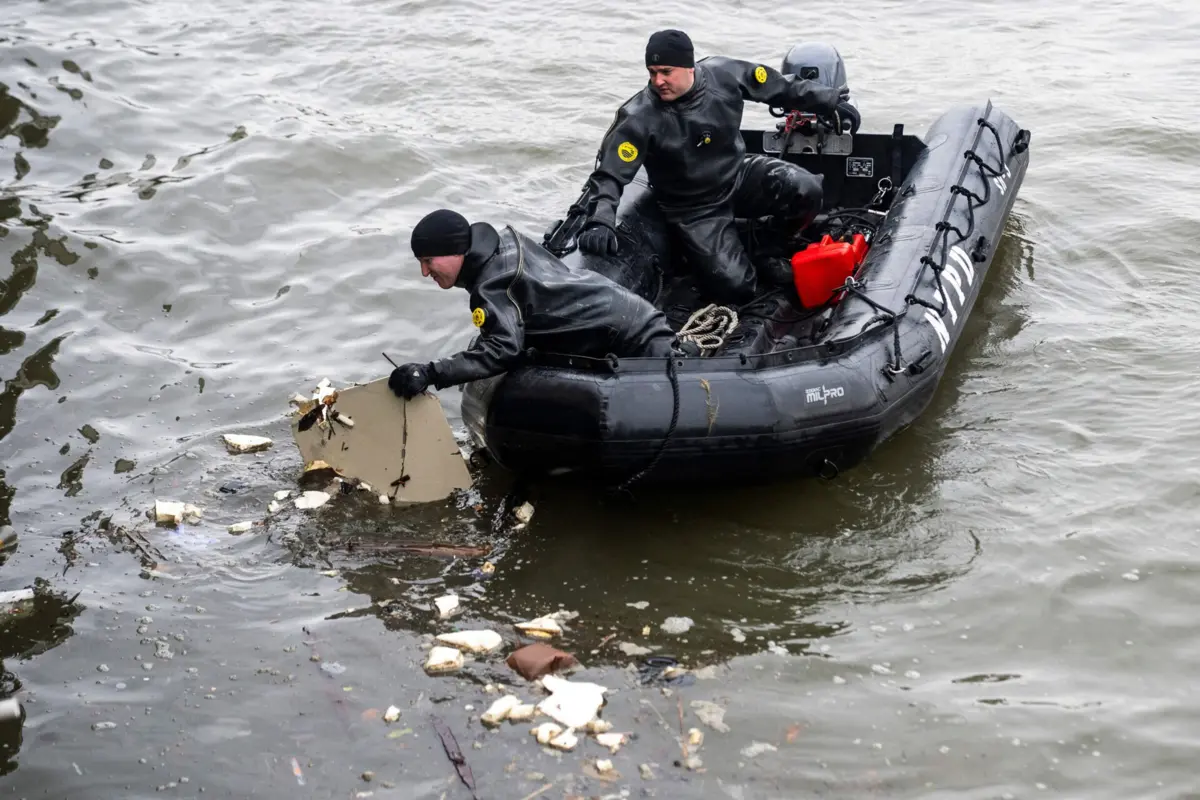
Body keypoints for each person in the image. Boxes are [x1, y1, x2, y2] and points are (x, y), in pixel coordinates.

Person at [574, 29, 848, 305]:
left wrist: (829, 100)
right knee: (738, 289)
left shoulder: (724, 73)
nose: (658, 81)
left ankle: (766, 248)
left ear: (689, 66)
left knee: (807, 189)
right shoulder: (638, 117)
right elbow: (609, 174)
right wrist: (600, 219)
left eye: (666, 72)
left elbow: (780, 87)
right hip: (693, 208)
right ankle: (723, 254)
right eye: (652, 72)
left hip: (737, 174)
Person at [388, 209, 690, 399]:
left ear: (455, 251)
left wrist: (431, 373)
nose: (425, 272)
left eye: (428, 261)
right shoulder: (506, 242)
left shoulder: (492, 285)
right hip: (633, 313)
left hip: (632, 337)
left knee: (676, 391)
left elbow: (501, 351)